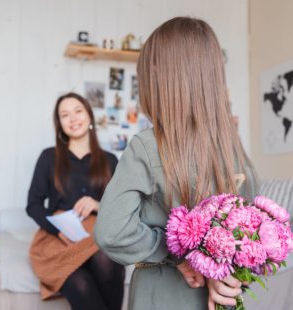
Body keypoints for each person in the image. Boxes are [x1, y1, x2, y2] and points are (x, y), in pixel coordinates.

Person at [94, 17, 258, 310]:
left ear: (159, 81)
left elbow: (111, 232)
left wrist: (179, 256)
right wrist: (225, 277)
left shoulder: (147, 145)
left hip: (158, 296)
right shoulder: (235, 149)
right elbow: (252, 238)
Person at [26, 92, 125, 310]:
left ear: (89, 116)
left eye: (78, 111)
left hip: (97, 234)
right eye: (65, 115)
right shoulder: (48, 157)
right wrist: (58, 230)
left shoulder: (109, 160)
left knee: (106, 261)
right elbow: (33, 205)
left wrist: (98, 205)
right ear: (59, 124)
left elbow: (122, 207)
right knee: (80, 284)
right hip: (59, 236)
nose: (73, 118)